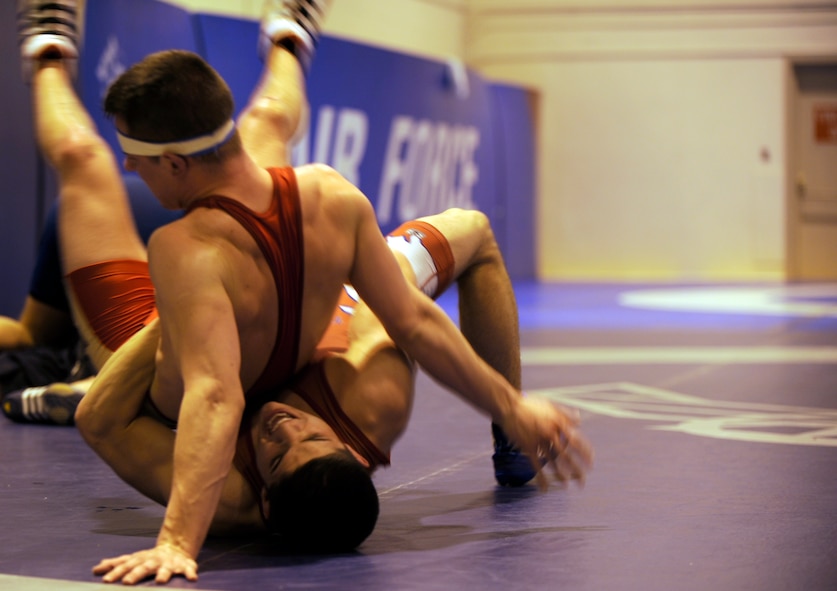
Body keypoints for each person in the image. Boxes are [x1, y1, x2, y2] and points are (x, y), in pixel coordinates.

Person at [19, 0, 592, 584]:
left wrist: (176, 541)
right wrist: (511, 407)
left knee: (81, 159)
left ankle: (46, 42)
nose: (282, 422)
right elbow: (408, 321)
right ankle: (290, 36)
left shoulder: (232, 496)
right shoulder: (368, 382)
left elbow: (199, 401)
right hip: (289, 304)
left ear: (264, 500)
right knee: (457, 223)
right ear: (347, 446)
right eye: (309, 431)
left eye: (137, 159)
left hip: (155, 346)